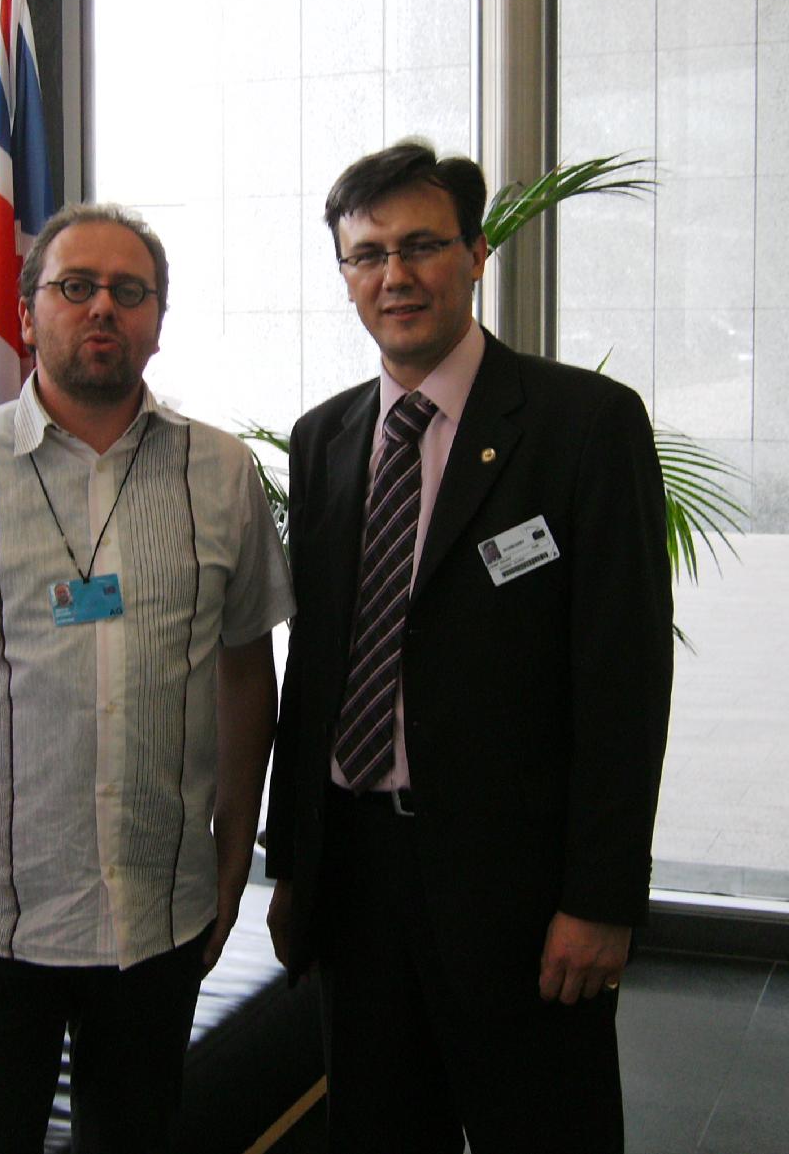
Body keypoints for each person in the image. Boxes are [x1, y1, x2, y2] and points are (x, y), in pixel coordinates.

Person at [0, 201, 294, 1153]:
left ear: (158, 319)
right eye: (74, 287)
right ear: (26, 307)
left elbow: (248, 668)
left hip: (159, 915)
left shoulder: (221, 474)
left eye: (129, 292)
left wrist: (231, 846)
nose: (102, 310)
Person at [264, 142, 672, 1153]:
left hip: (521, 892)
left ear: (475, 252)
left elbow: (621, 677)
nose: (393, 276)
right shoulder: (321, 439)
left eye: (419, 246)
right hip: (356, 878)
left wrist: (600, 895)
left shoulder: (582, 425)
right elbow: (314, 669)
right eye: (365, 255)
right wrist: (295, 866)